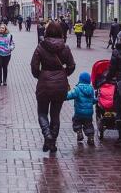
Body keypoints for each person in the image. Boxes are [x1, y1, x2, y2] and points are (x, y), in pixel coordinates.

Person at [31, 21, 76, 153]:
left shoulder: (41, 47)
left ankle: (47, 135)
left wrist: (40, 75)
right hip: (60, 84)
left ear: (47, 31)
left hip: (44, 83)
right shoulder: (65, 47)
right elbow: (72, 66)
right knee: (55, 114)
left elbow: (34, 67)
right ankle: (52, 142)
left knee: (42, 113)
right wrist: (63, 74)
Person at [66, 71, 97, 146]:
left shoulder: (77, 89)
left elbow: (69, 96)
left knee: (76, 121)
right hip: (89, 114)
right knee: (89, 125)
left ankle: (79, 131)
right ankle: (91, 138)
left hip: (79, 113)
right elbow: (92, 101)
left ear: (80, 80)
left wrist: (64, 95)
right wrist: (97, 100)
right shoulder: (91, 89)